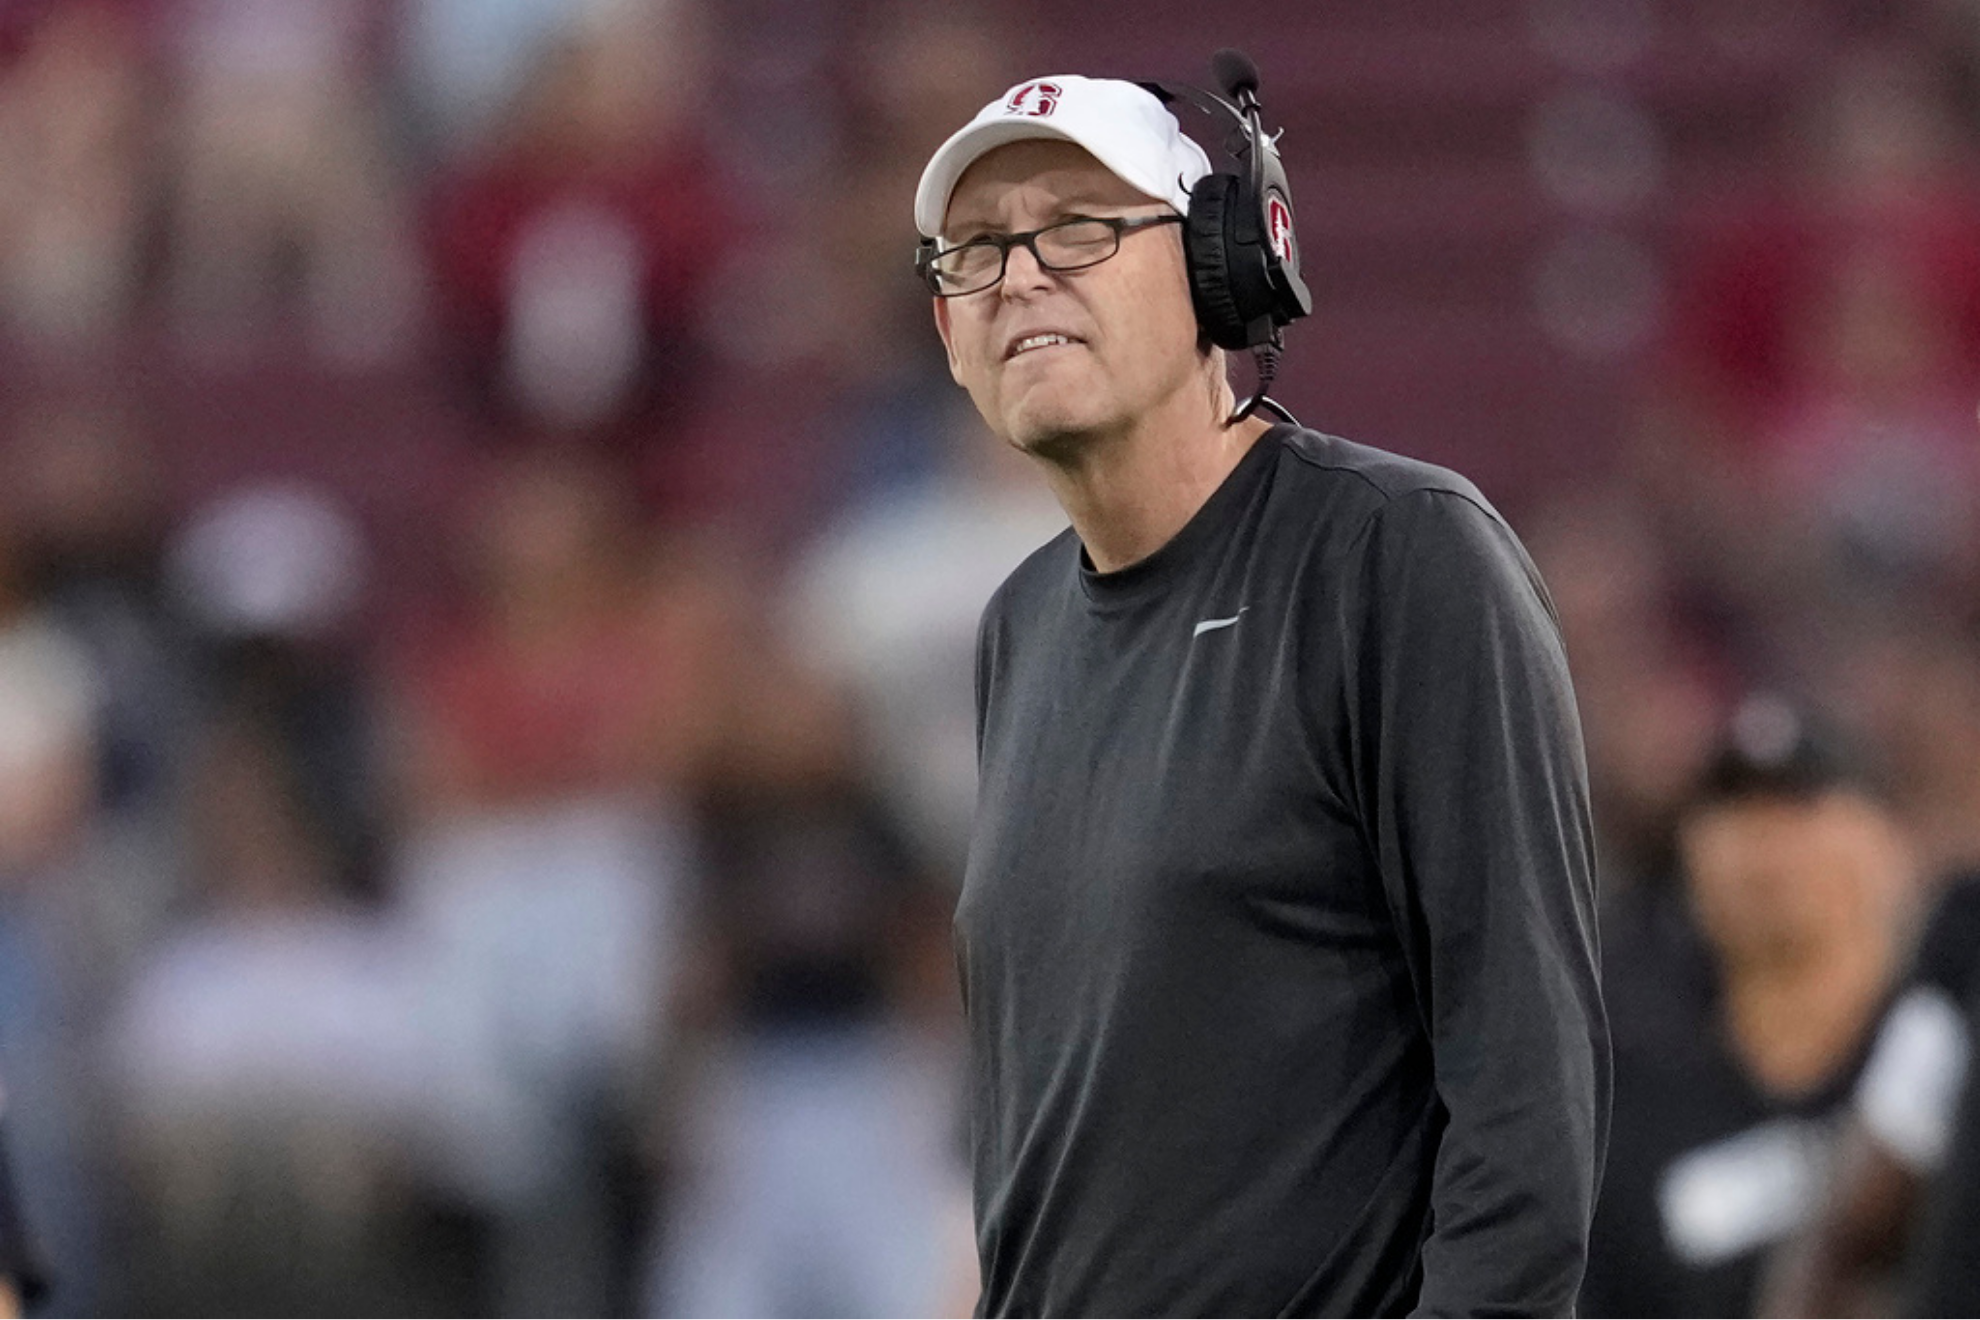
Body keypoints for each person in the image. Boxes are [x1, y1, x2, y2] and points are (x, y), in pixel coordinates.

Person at [917, 69, 1608, 1317]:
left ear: (1220, 266)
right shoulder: (1018, 629)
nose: (1018, 277)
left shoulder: (1398, 554)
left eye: (1077, 229)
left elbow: (1527, 1085)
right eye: (976, 251)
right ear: (947, 333)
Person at [1580, 696, 1916, 1317]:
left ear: (1889, 843)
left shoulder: (1949, 1064)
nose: (1763, 843)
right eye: (1732, 812)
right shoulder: (1626, 1101)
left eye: (1800, 806)